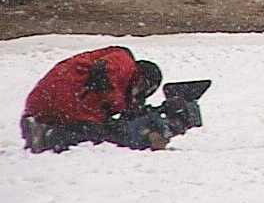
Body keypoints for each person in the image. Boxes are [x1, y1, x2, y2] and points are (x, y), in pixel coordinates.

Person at [21, 46, 170, 153]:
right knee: (99, 135)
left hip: (43, 101)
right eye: (144, 86)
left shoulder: (122, 87)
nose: (139, 91)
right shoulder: (125, 61)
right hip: (68, 96)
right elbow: (102, 71)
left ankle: (42, 127)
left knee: (102, 130)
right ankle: (50, 137)